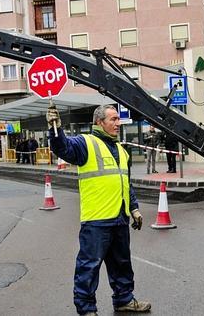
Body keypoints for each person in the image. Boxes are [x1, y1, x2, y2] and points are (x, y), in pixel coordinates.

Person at [47, 104, 151, 316]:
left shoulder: (121, 150)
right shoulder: (86, 143)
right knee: (89, 267)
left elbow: (125, 183)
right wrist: (54, 128)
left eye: (117, 119)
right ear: (99, 122)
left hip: (119, 218)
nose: (117, 123)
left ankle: (124, 299)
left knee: (122, 264)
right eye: (113, 119)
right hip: (96, 220)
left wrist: (134, 208)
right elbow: (62, 148)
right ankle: (86, 309)